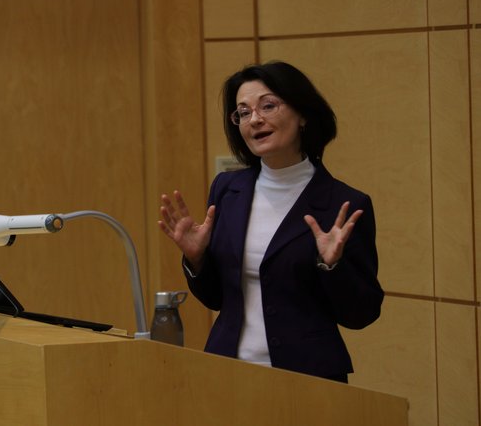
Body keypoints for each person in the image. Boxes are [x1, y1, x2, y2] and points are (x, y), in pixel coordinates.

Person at [158, 61, 383, 383]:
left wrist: (333, 266)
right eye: (244, 112)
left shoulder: (342, 204)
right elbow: (217, 299)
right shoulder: (227, 189)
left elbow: (361, 314)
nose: (256, 120)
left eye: (268, 106)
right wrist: (197, 258)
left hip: (308, 377)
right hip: (228, 369)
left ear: (303, 114)